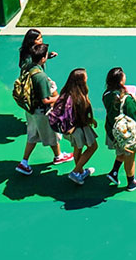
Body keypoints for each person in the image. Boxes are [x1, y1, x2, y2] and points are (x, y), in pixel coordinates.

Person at [15, 41, 73, 175]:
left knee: (32, 135)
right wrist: (61, 98)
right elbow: (45, 100)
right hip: (41, 112)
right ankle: (58, 156)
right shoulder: (40, 77)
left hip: (30, 111)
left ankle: (24, 162)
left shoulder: (29, 67)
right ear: (42, 58)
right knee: (53, 134)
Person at [102, 67, 136, 191]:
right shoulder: (127, 99)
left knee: (120, 151)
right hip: (126, 133)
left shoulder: (106, 94)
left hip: (113, 130)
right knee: (130, 156)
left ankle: (114, 172)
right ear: (121, 82)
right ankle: (131, 182)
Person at [54, 68, 101, 185]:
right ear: (81, 80)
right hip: (79, 128)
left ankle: (80, 171)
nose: (87, 78)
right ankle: (75, 171)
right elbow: (83, 116)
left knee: (77, 148)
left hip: (70, 129)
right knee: (93, 147)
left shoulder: (66, 93)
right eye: (85, 77)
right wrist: (90, 121)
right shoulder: (79, 97)